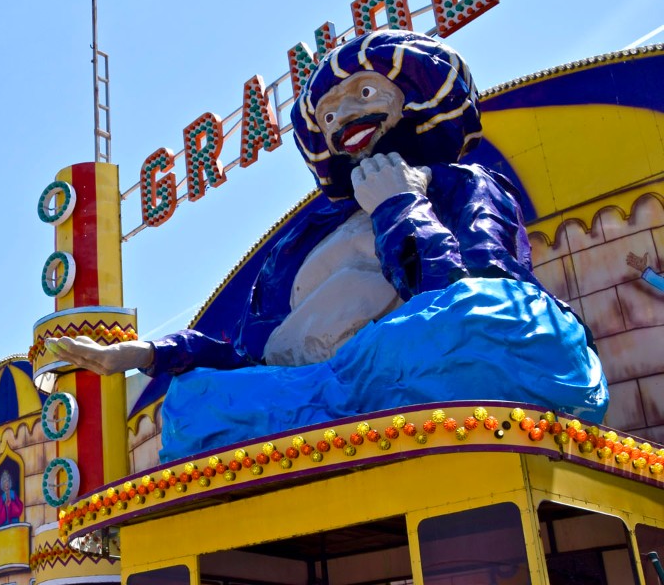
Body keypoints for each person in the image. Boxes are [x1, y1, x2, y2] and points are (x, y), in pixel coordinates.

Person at [50, 30, 607, 462]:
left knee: (486, 320)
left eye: (364, 94)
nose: (346, 117)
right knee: (195, 400)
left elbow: (471, 296)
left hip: (420, 351)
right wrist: (150, 355)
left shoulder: (461, 184)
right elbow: (251, 355)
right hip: (313, 387)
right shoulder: (303, 236)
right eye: (331, 112)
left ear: (413, 98)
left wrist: (399, 207)